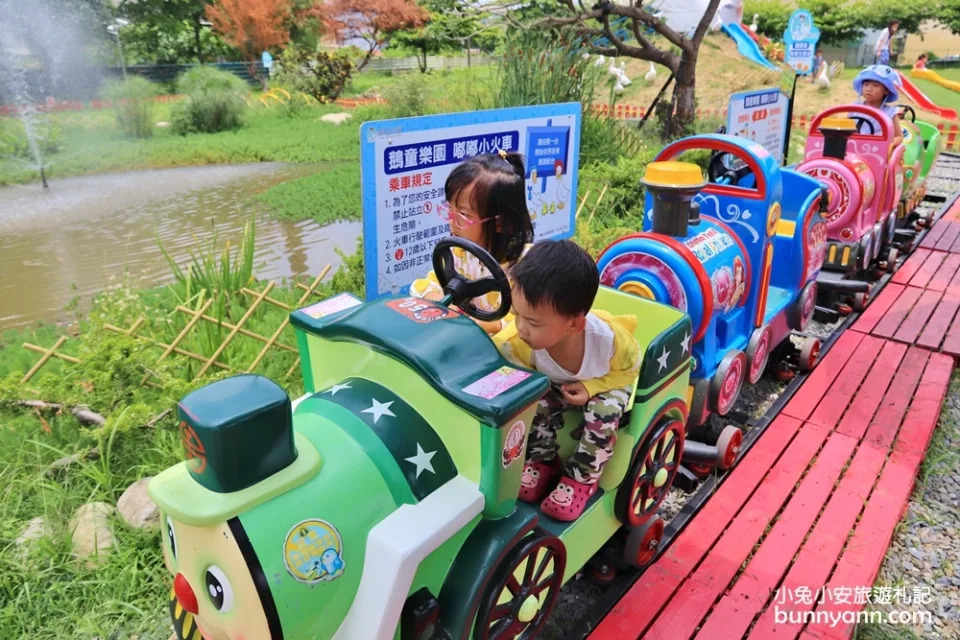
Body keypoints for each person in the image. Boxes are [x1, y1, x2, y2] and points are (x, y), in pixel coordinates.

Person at [494, 240, 641, 521]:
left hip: (605, 383)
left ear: (574, 324)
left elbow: (630, 371)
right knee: (531, 404)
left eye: (533, 323)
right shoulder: (518, 344)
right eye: (516, 315)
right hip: (552, 384)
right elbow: (519, 380)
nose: (520, 328)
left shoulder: (611, 343)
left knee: (603, 412)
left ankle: (583, 477)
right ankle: (542, 460)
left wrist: (592, 388)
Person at [409, 150, 534, 334]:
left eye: (463, 215)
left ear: (501, 223)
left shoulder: (528, 269)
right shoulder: (460, 253)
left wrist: (490, 325)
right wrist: (435, 297)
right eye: (449, 210)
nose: (451, 221)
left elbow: (532, 323)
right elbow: (429, 283)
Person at [852, 64, 903, 147]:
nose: (869, 89)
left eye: (875, 86)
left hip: (877, 151)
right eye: (866, 85)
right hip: (854, 148)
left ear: (886, 91)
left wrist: (890, 144)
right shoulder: (854, 108)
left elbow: (899, 136)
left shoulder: (890, 112)